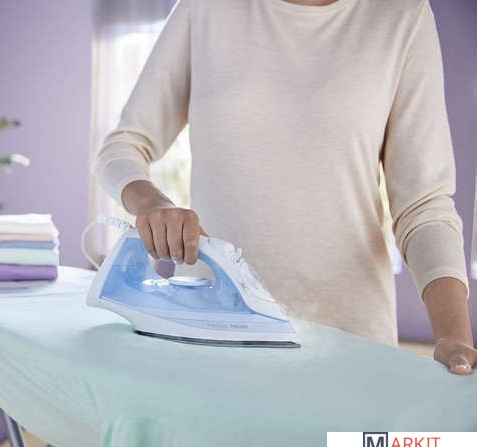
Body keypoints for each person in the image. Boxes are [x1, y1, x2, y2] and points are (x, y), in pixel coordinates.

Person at [93, 0, 476, 374]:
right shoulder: (206, 9)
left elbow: (424, 205)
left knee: (350, 424)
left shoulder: (402, 15)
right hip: (215, 333)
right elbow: (124, 145)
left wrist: (455, 337)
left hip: (352, 342)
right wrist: (152, 203)